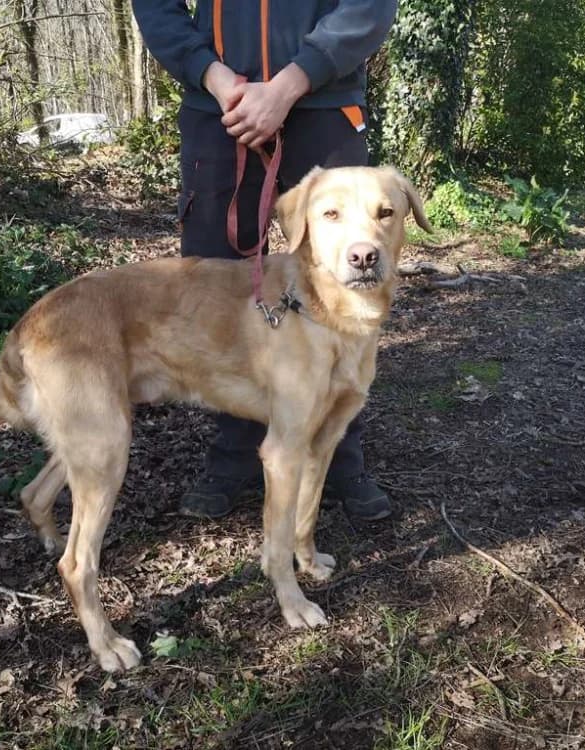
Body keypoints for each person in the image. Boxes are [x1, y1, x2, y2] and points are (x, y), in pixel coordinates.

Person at [133, 0, 399, 521]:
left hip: (326, 103)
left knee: (344, 285)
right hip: (220, 111)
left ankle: (341, 455)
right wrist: (216, 78)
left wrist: (290, 83)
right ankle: (233, 453)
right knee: (215, 289)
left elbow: (368, 7)